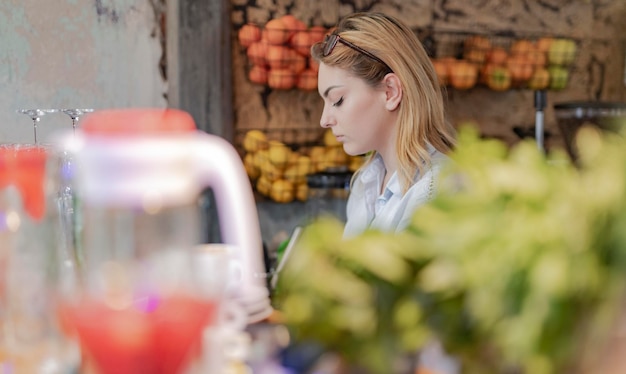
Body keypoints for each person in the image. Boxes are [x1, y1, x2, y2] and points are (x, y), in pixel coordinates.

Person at [310, 12, 456, 239]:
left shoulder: (439, 193)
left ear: (390, 92)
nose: (324, 119)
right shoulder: (367, 182)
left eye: (337, 100)